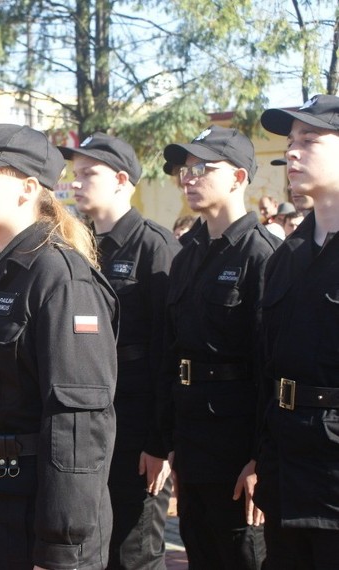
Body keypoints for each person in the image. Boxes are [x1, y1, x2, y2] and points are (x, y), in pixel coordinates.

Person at [0, 124, 118, 569]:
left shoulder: (61, 277)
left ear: (27, 189)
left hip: (28, 519)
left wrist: (59, 548)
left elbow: (78, 424)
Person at [159, 125, 280, 569]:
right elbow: (173, 354)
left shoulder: (262, 255)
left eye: (203, 168)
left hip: (236, 447)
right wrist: (169, 438)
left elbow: (270, 366)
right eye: (185, 169)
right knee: (200, 551)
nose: (188, 177)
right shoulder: (188, 255)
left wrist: (260, 458)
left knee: (241, 554)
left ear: (238, 178)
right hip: (193, 439)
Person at [61, 133, 180, 570]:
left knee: (135, 549)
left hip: (136, 428)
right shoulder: (78, 246)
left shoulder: (156, 247)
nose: (77, 183)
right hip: (91, 424)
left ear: (121, 180)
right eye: (75, 174)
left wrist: (158, 440)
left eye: (89, 173)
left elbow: (168, 350)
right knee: (93, 546)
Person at [255, 94, 339, 568]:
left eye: (310, 140)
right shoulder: (288, 254)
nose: (292, 152)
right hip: (286, 471)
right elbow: (270, 363)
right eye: (290, 142)